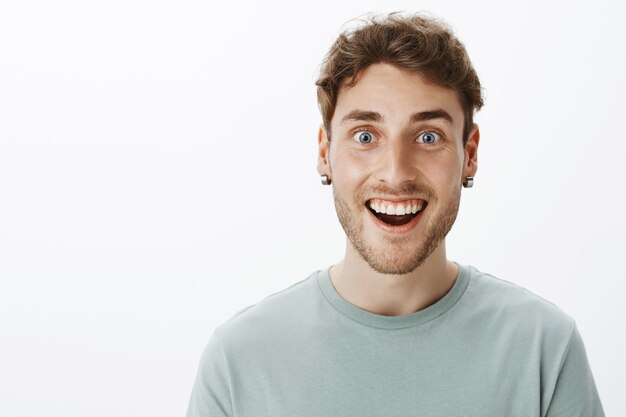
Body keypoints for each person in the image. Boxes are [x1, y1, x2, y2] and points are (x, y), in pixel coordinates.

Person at [186, 13, 604, 417]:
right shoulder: (238, 362)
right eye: (365, 136)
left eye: (428, 136)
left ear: (469, 154)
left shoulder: (543, 349)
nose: (396, 172)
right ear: (324, 152)